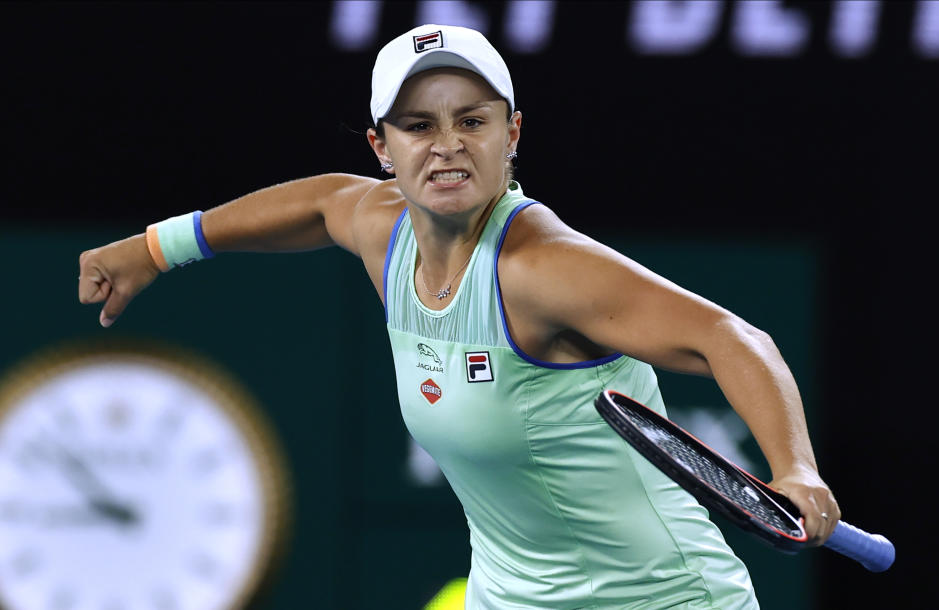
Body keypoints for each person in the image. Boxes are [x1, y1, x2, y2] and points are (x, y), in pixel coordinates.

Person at [78, 24, 839, 609]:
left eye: (471, 122)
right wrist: (158, 247)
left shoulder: (543, 269)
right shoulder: (382, 228)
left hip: (658, 598)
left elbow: (730, 338)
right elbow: (319, 202)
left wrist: (796, 468)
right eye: (418, 126)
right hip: (512, 597)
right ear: (383, 147)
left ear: (511, 134)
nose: (447, 147)